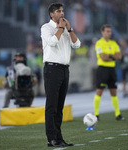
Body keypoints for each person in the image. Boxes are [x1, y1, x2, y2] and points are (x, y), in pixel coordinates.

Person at [41, 3, 81, 147]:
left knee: (59, 107)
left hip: (64, 69)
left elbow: (77, 45)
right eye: (59, 11)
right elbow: (52, 42)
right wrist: (61, 28)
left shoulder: (65, 29)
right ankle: (51, 139)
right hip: (52, 69)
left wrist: (69, 29)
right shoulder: (46, 28)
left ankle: (59, 138)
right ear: (52, 14)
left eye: (63, 10)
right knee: (51, 106)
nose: (62, 13)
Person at [93, 24, 125, 121]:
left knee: (114, 92)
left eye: (110, 31)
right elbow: (103, 57)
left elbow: (119, 57)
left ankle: (117, 114)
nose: (109, 33)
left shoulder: (114, 43)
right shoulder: (99, 43)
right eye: (107, 31)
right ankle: (96, 114)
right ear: (102, 32)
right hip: (103, 69)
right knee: (99, 91)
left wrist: (109, 56)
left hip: (112, 70)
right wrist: (113, 56)